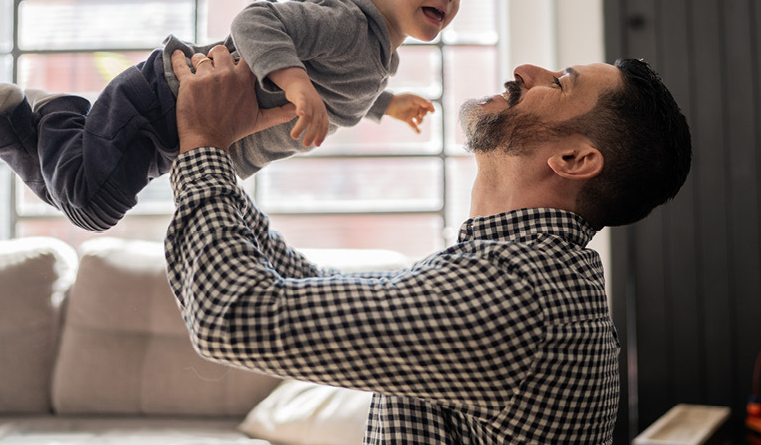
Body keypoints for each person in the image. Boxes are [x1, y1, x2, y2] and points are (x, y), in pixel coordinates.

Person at [163, 47, 692, 443]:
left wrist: (202, 145)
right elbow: (304, 288)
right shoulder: (512, 270)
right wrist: (214, 151)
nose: (527, 70)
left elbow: (233, 315)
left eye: (559, 82)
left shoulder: (514, 295)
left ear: (575, 159)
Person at [0, 0, 473, 232]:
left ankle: (4, 113)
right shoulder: (346, 21)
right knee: (92, 205)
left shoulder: (377, 55)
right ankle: (51, 108)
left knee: (66, 190)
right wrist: (296, 82)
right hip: (167, 97)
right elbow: (255, 22)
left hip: (188, 132)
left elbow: (337, 83)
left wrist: (386, 104)